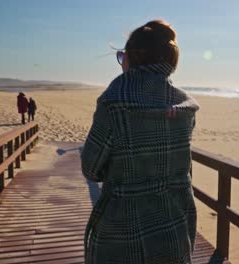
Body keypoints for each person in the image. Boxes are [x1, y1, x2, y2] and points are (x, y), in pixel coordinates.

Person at [80, 20, 199, 264]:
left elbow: (91, 169)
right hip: (174, 229)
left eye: (122, 55)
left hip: (121, 236)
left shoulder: (115, 100)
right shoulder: (185, 106)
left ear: (132, 57)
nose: (121, 60)